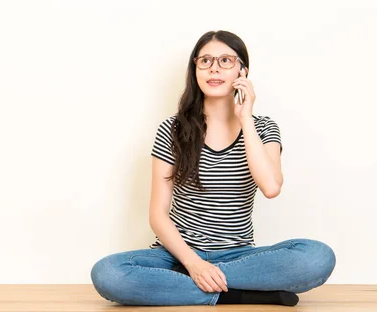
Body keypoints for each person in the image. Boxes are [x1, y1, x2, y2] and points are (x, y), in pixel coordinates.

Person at [90, 30, 336, 306]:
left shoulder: (263, 128)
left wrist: (245, 119)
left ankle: (195, 285)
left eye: (226, 61)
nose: (214, 68)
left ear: (243, 70)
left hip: (238, 256)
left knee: (317, 257)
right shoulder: (172, 130)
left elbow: (271, 187)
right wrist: (194, 264)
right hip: (178, 255)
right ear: (195, 69)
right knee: (109, 274)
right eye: (205, 61)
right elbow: (158, 214)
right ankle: (238, 293)